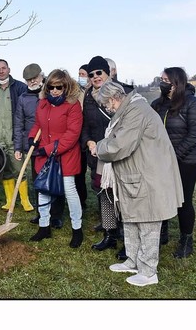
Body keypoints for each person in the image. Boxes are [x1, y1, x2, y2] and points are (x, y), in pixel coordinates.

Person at [94, 81, 183, 286]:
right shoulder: (130, 108)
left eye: (108, 105)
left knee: (149, 222)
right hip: (137, 174)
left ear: (115, 98)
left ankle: (149, 271)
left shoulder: (137, 110)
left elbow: (119, 145)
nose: (108, 109)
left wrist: (99, 147)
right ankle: (133, 261)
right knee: (132, 218)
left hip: (149, 176)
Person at [151, 67, 196, 258]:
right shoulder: (158, 105)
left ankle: (186, 240)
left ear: (176, 82)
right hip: (162, 158)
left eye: (166, 79)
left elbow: (195, 135)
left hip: (189, 159)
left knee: (183, 199)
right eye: (161, 79)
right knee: (160, 195)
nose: (162, 82)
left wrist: (173, 155)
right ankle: (162, 232)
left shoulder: (192, 103)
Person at [81, 55, 133, 259]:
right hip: (98, 155)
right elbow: (85, 125)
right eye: (91, 74)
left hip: (120, 155)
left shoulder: (122, 92)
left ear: (108, 73)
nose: (95, 77)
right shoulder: (88, 96)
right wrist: (88, 142)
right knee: (105, 195)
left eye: (99, 73)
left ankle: (128, 239)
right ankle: (110, 234)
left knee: (124, 198)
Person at [27, 69, 84, 247]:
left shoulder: (73, 106)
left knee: (69, 191)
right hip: (45, 154)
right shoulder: (43, 103)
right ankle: (44, 226)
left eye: (58, 87)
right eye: (51, 86)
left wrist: (48, 149)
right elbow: (38, 124)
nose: (54, 90)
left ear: (66, 86)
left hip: (65, 155)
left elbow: (72, 135)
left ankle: (77, 229)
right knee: (43, 189)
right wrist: (32, 136)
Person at [15, 63, 66, 227]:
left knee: (55, 178)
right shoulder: (23, 98)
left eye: (34, 78)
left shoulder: (51, 93)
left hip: (53, 144)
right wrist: (19, 146)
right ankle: (41, 212)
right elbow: (19, 123)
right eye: (28, 80)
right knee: (38, 179)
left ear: (41, 77)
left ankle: (56, 215)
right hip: (34, 145)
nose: (31, 82)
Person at [0, 59, 30, 212]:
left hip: (15, 137)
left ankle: (25, 200)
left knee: (20, 169)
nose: (1, 71)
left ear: (9, 69)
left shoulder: (20, 87)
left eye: (3, 68)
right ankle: (9, 200)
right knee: (4, 170)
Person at [74, 64, 90, 209]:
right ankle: (81, 200)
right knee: (79, 170)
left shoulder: (93, 91)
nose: (81, 77)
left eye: (83, 74)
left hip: (91, 133)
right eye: (79, 74)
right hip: (78, 135)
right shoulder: (76, 91)